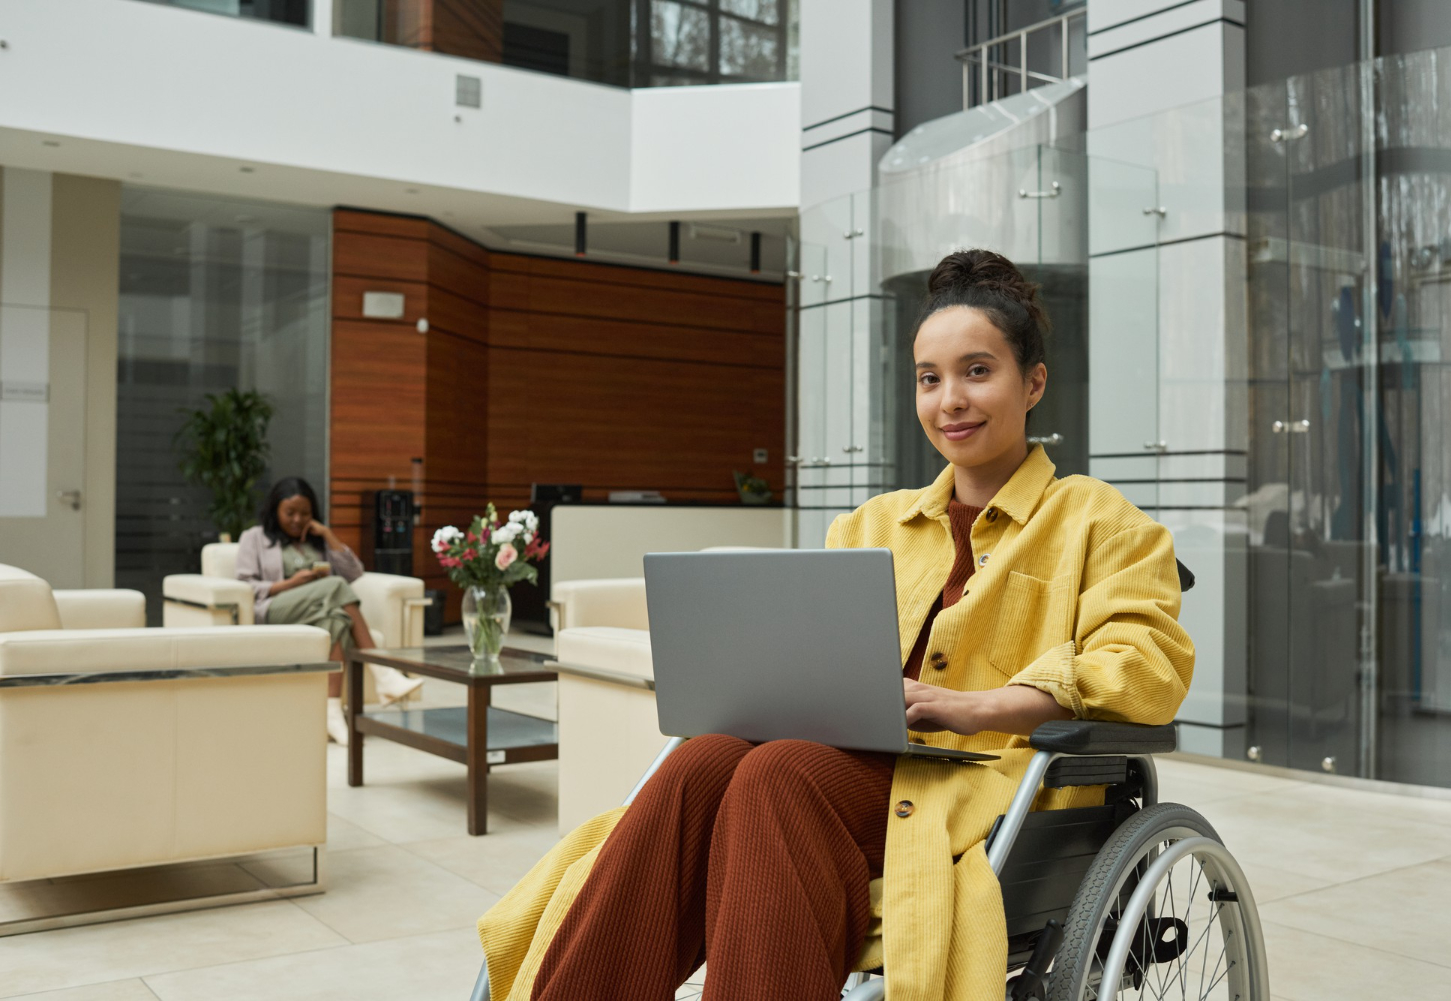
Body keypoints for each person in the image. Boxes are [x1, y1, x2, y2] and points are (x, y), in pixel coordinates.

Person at [475, 250, 1195, 1001]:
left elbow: (1146, 664)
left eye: (977, 371)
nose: (950, 399)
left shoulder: (1102, 521)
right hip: (851, 765)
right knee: (704, 761)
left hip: (994, 784)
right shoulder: (869, 524)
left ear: (1034, 382)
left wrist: (979, 704)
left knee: (777, 773)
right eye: (929, 377)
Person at [236, 476, 421, 744]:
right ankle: (382, 671)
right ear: (275, 510)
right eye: (290, 513)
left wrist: (328, 535)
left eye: (304, 513)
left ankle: (332, 711)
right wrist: (290, 583)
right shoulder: (254, 538)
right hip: (275, 610)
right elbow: (245, 585)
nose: (297, 519)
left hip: (315, 611)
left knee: (336, 619)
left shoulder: (316, 540)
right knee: (334, 585)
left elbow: (355, 573)